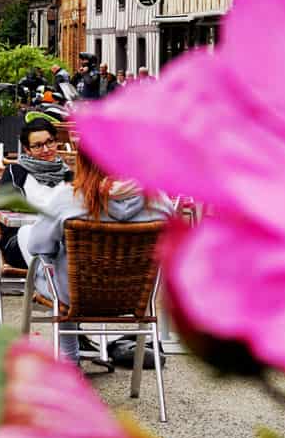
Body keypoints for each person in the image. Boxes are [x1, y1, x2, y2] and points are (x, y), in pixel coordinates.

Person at [18, 150, 172, 362]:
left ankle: (69, 359)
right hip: (136, 296)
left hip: (74, 294)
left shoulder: (68, 198)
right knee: (61, 260)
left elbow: (38, 246)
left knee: (29, 237)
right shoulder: (159, 201)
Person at [0, 118, 73, 267]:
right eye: (38, 146)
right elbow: (12, 206)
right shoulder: (15, 172)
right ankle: (49, 286)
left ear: (56, 141)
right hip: (20, 239)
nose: (46, 149)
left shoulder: (68, 174)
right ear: (27, 149)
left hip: (61, 239)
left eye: (49, 142)